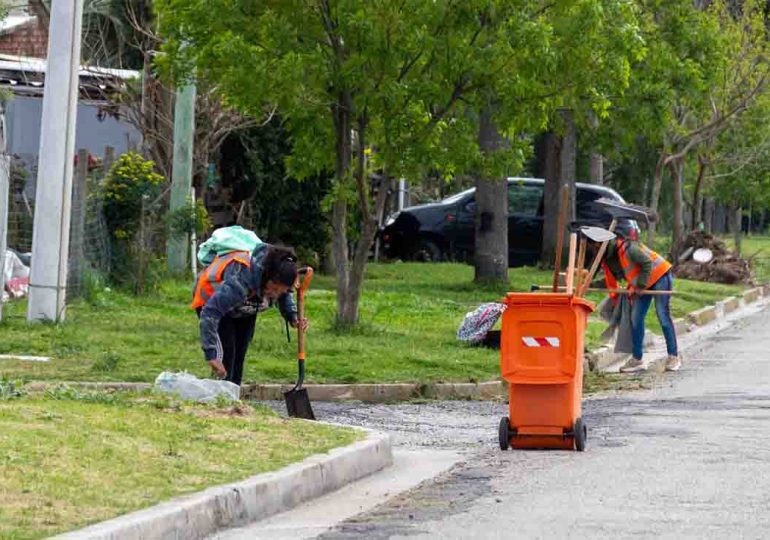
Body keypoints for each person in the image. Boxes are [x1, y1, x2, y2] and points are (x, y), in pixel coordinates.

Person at [191, 243, 307, 385]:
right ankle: (220, 399)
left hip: (244, 307)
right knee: (226, 356)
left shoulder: (279, 277)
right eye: (274, 289)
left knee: (239, 355)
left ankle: (234, 398)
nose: (275, 294)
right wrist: (210, 353)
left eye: (280, 291)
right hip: (212, 301)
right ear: (267, 277)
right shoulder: (240, 280)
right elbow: (211, 311)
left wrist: (293, 316)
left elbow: (284, 295)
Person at [594, 232, 680, 373]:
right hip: (643, 283)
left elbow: (646, 263)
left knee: (663, 316)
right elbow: (611, 278)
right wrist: (588, 283)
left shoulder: (629, 248)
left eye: (596, 245)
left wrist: (639, 286)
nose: (595, 248)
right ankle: (637, 359)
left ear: (603, 244)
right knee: (636, 318)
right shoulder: (609, 258)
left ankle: (673, 356)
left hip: (660, 276)